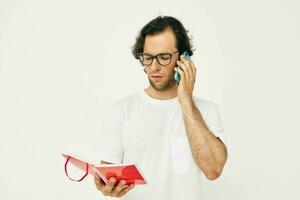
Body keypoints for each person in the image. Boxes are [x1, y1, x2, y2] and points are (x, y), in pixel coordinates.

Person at [93, 16, 228, 199]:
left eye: (164, 57)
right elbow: (108, 174)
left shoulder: (206, 110)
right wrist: (106, 187)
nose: (154, 67)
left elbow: (213, 170)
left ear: (183, 58)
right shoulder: (119, 111)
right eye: (147, 57)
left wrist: (185, 100)